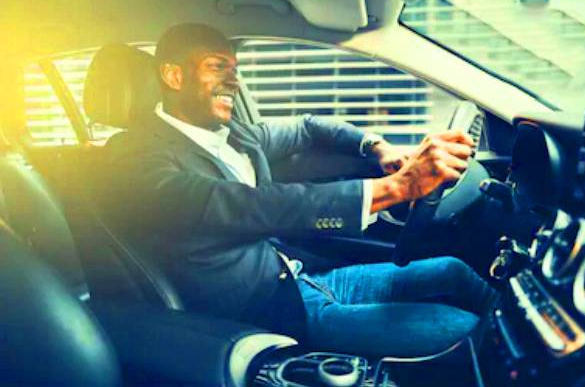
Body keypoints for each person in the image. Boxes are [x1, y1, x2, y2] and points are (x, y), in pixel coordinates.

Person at [99, 23, 497, 357]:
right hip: (259, 311)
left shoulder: (235, 134)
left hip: (299, 278)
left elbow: (308, 127)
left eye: (235, 69)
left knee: (453, 271)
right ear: (173, 77)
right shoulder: (131, 157)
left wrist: (378, 148)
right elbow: (242, 205)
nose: (234, 81)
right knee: (463, 332)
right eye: (218, 67)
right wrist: (397, 187)